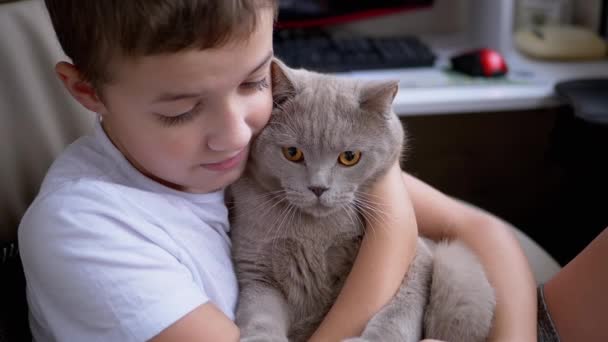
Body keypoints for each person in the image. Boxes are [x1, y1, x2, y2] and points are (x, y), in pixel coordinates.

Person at [17, 0, 542, 341]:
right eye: (179, 109)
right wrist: (395, 224)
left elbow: (479, 229)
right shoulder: (86, 231)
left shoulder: (284, 135)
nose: (237, 134)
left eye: (253, 82)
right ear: (86, 91)